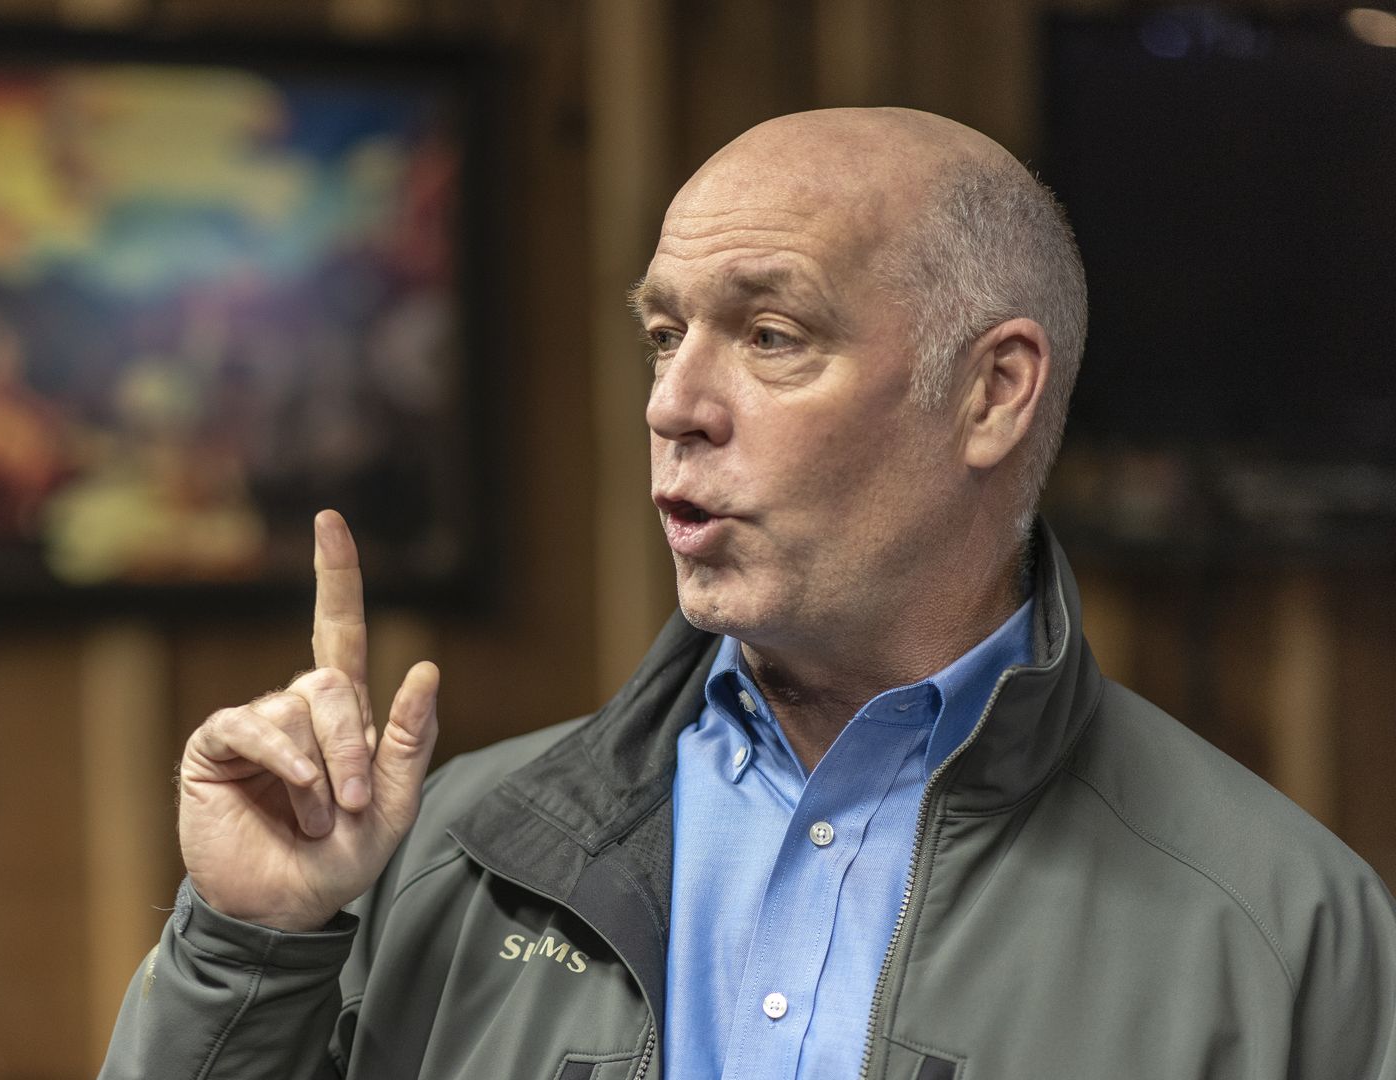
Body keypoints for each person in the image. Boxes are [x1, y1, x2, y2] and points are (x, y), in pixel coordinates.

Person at [99, 108, 1396, 1079]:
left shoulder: (1287, 931)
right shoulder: (445, 852)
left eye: (772, 336)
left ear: (993, 392)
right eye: (666, 334)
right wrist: (249, 943)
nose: (673, 403)